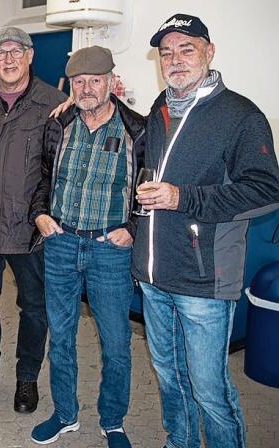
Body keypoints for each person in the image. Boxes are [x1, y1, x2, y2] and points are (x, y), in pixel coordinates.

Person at [132, 14, 279, 448]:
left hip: (204, 282)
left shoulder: (240, 115)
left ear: (209, 52)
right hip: (155, 277)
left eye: (186, 49)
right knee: (170, 378)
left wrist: (183, 198)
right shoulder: (160, 109)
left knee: (211, 391)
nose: (175, 60)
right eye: (166, 53)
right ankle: (179, 442)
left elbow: (266, 191)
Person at [28, 46, 144, 448]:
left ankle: (113, 420)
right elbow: (41, 176)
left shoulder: (137, 130)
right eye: (80, 82)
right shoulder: (58, 125)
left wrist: (133, 226)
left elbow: (147, 189)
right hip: (61, 244)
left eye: (96, 80)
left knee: (115, 342)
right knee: (60, 336)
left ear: (112, 82)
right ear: (71, 86)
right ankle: (64, 414)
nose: (88, 88)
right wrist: (40, 213)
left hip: (110, 250)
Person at [0, 25, 66, 411]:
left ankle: (27, 379)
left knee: (34, 307)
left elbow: (57, 170)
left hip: (30, 230)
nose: (8, 59)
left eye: (15, 51)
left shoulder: (55, 104)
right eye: (0, 53)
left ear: (30, 56)